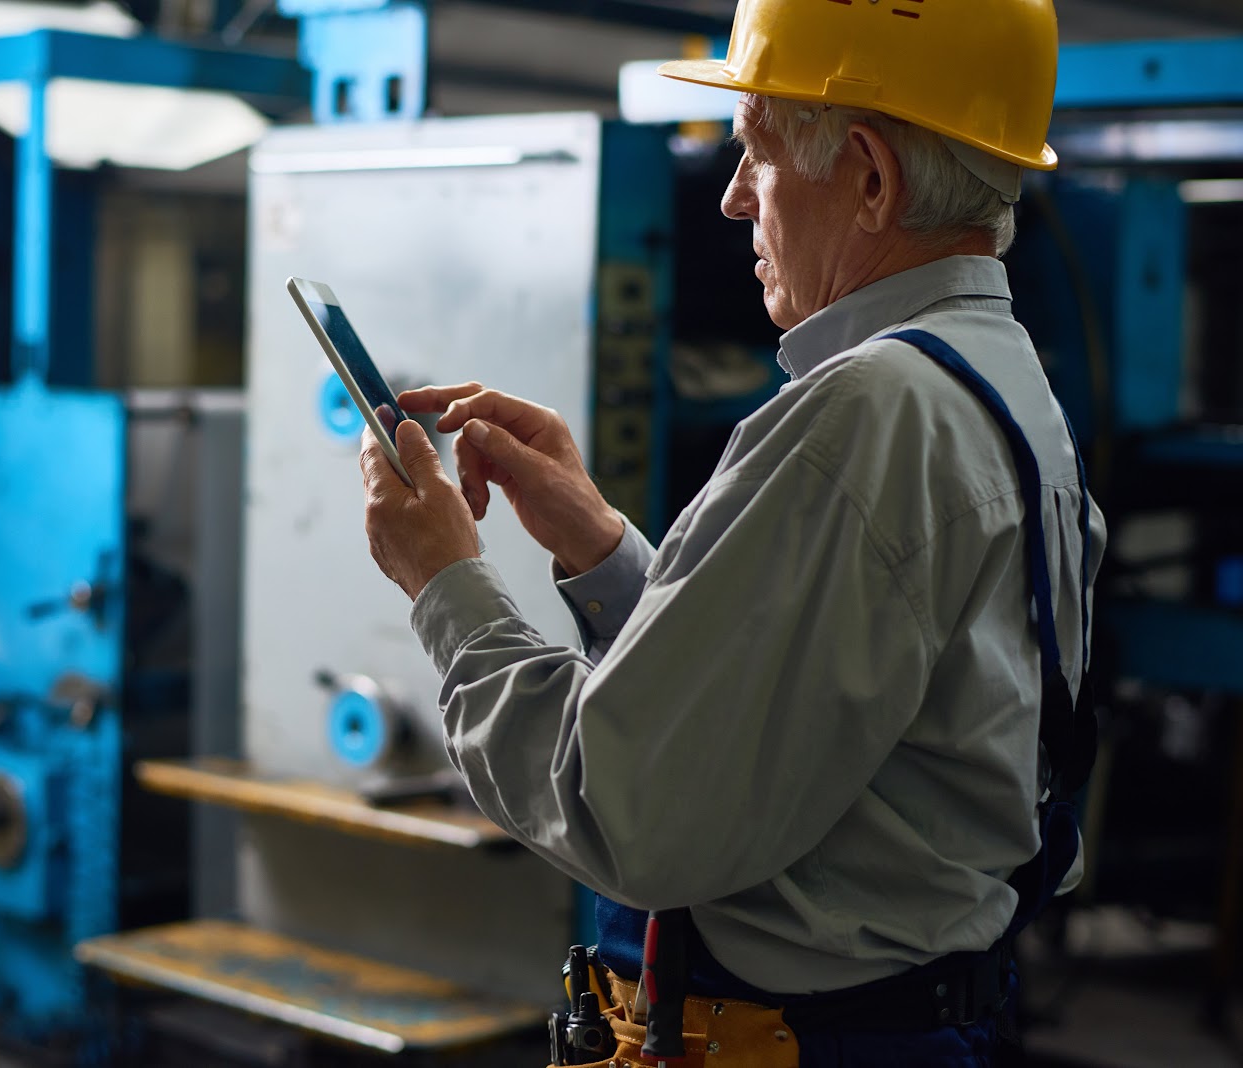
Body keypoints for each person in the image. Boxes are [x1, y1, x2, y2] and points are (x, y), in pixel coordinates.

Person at [359, 0, 1105, 1063]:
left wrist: (446, 584)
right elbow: (812, 707)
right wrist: (601, 548)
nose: (730, 197)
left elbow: (631, 814)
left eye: (754, 151)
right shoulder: (998, 384)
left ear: (869, 177)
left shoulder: (865, 414)